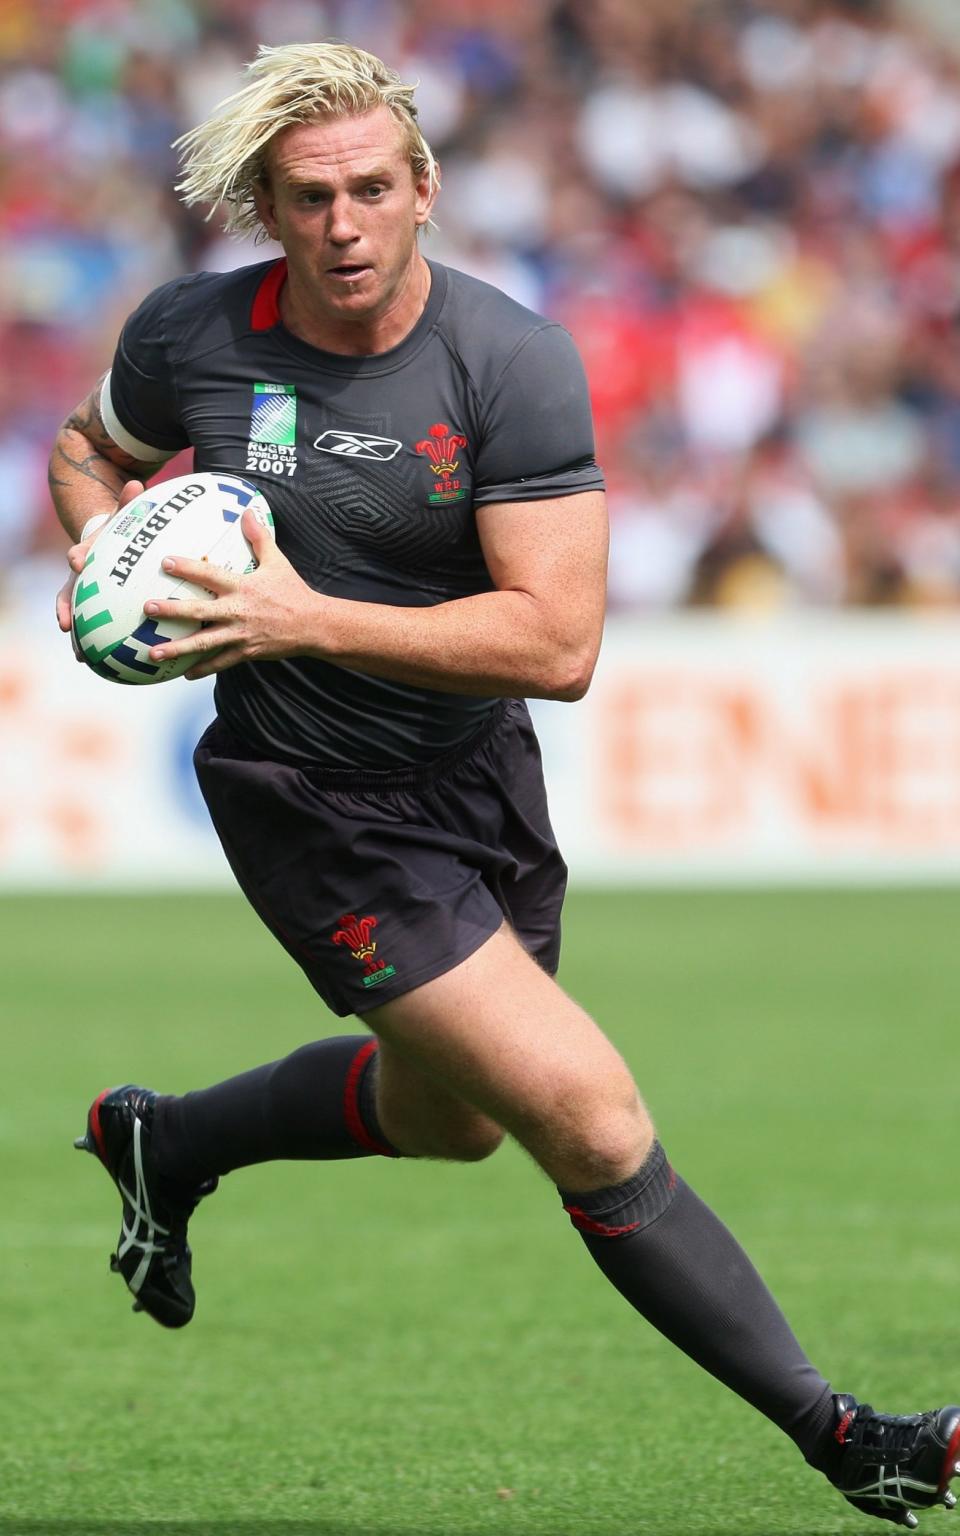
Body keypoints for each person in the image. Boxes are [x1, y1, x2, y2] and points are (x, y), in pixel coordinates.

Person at [51, 42, 958, 1529]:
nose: (343, 224)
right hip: (307, 799)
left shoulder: (509, 361)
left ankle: (173, 1138)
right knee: (590, 1122)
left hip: (475, 778)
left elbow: (560, 642)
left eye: (369, 190)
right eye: (308, 198)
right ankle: (848, 1433)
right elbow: (92, 450)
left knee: (455, 1116)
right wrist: (104, 552)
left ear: (424, 190)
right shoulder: (189, 336)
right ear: (267, 213)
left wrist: (303, 615)